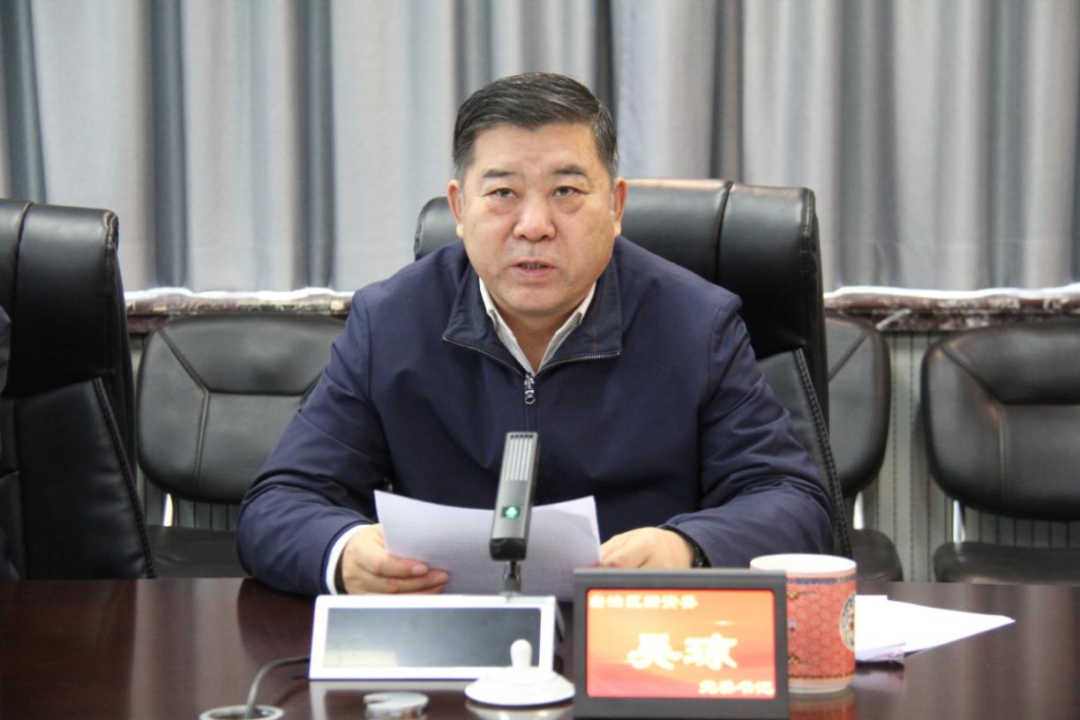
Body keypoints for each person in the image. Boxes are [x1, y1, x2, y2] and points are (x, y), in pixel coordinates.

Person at [237, 72, 833, 596]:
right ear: (460, 208)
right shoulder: (391, 322)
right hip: (455, 634)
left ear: (616, 206)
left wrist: (688, 549)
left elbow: (794, 502)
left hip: (634, 634)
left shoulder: (696, 324)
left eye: (566, 192)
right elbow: (279, 504)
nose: (534, 226)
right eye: (502, 194)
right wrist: (343, 552)